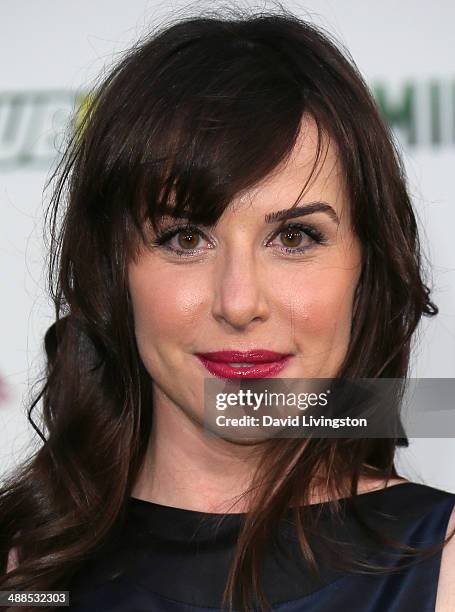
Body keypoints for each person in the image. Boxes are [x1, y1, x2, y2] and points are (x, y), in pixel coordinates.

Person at [1, 7, 454, 612]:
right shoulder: (23, 568)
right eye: (185, 239)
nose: (239, 303)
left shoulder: (442, 563)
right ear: (115, 273)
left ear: (368, 268)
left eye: (294, 238)